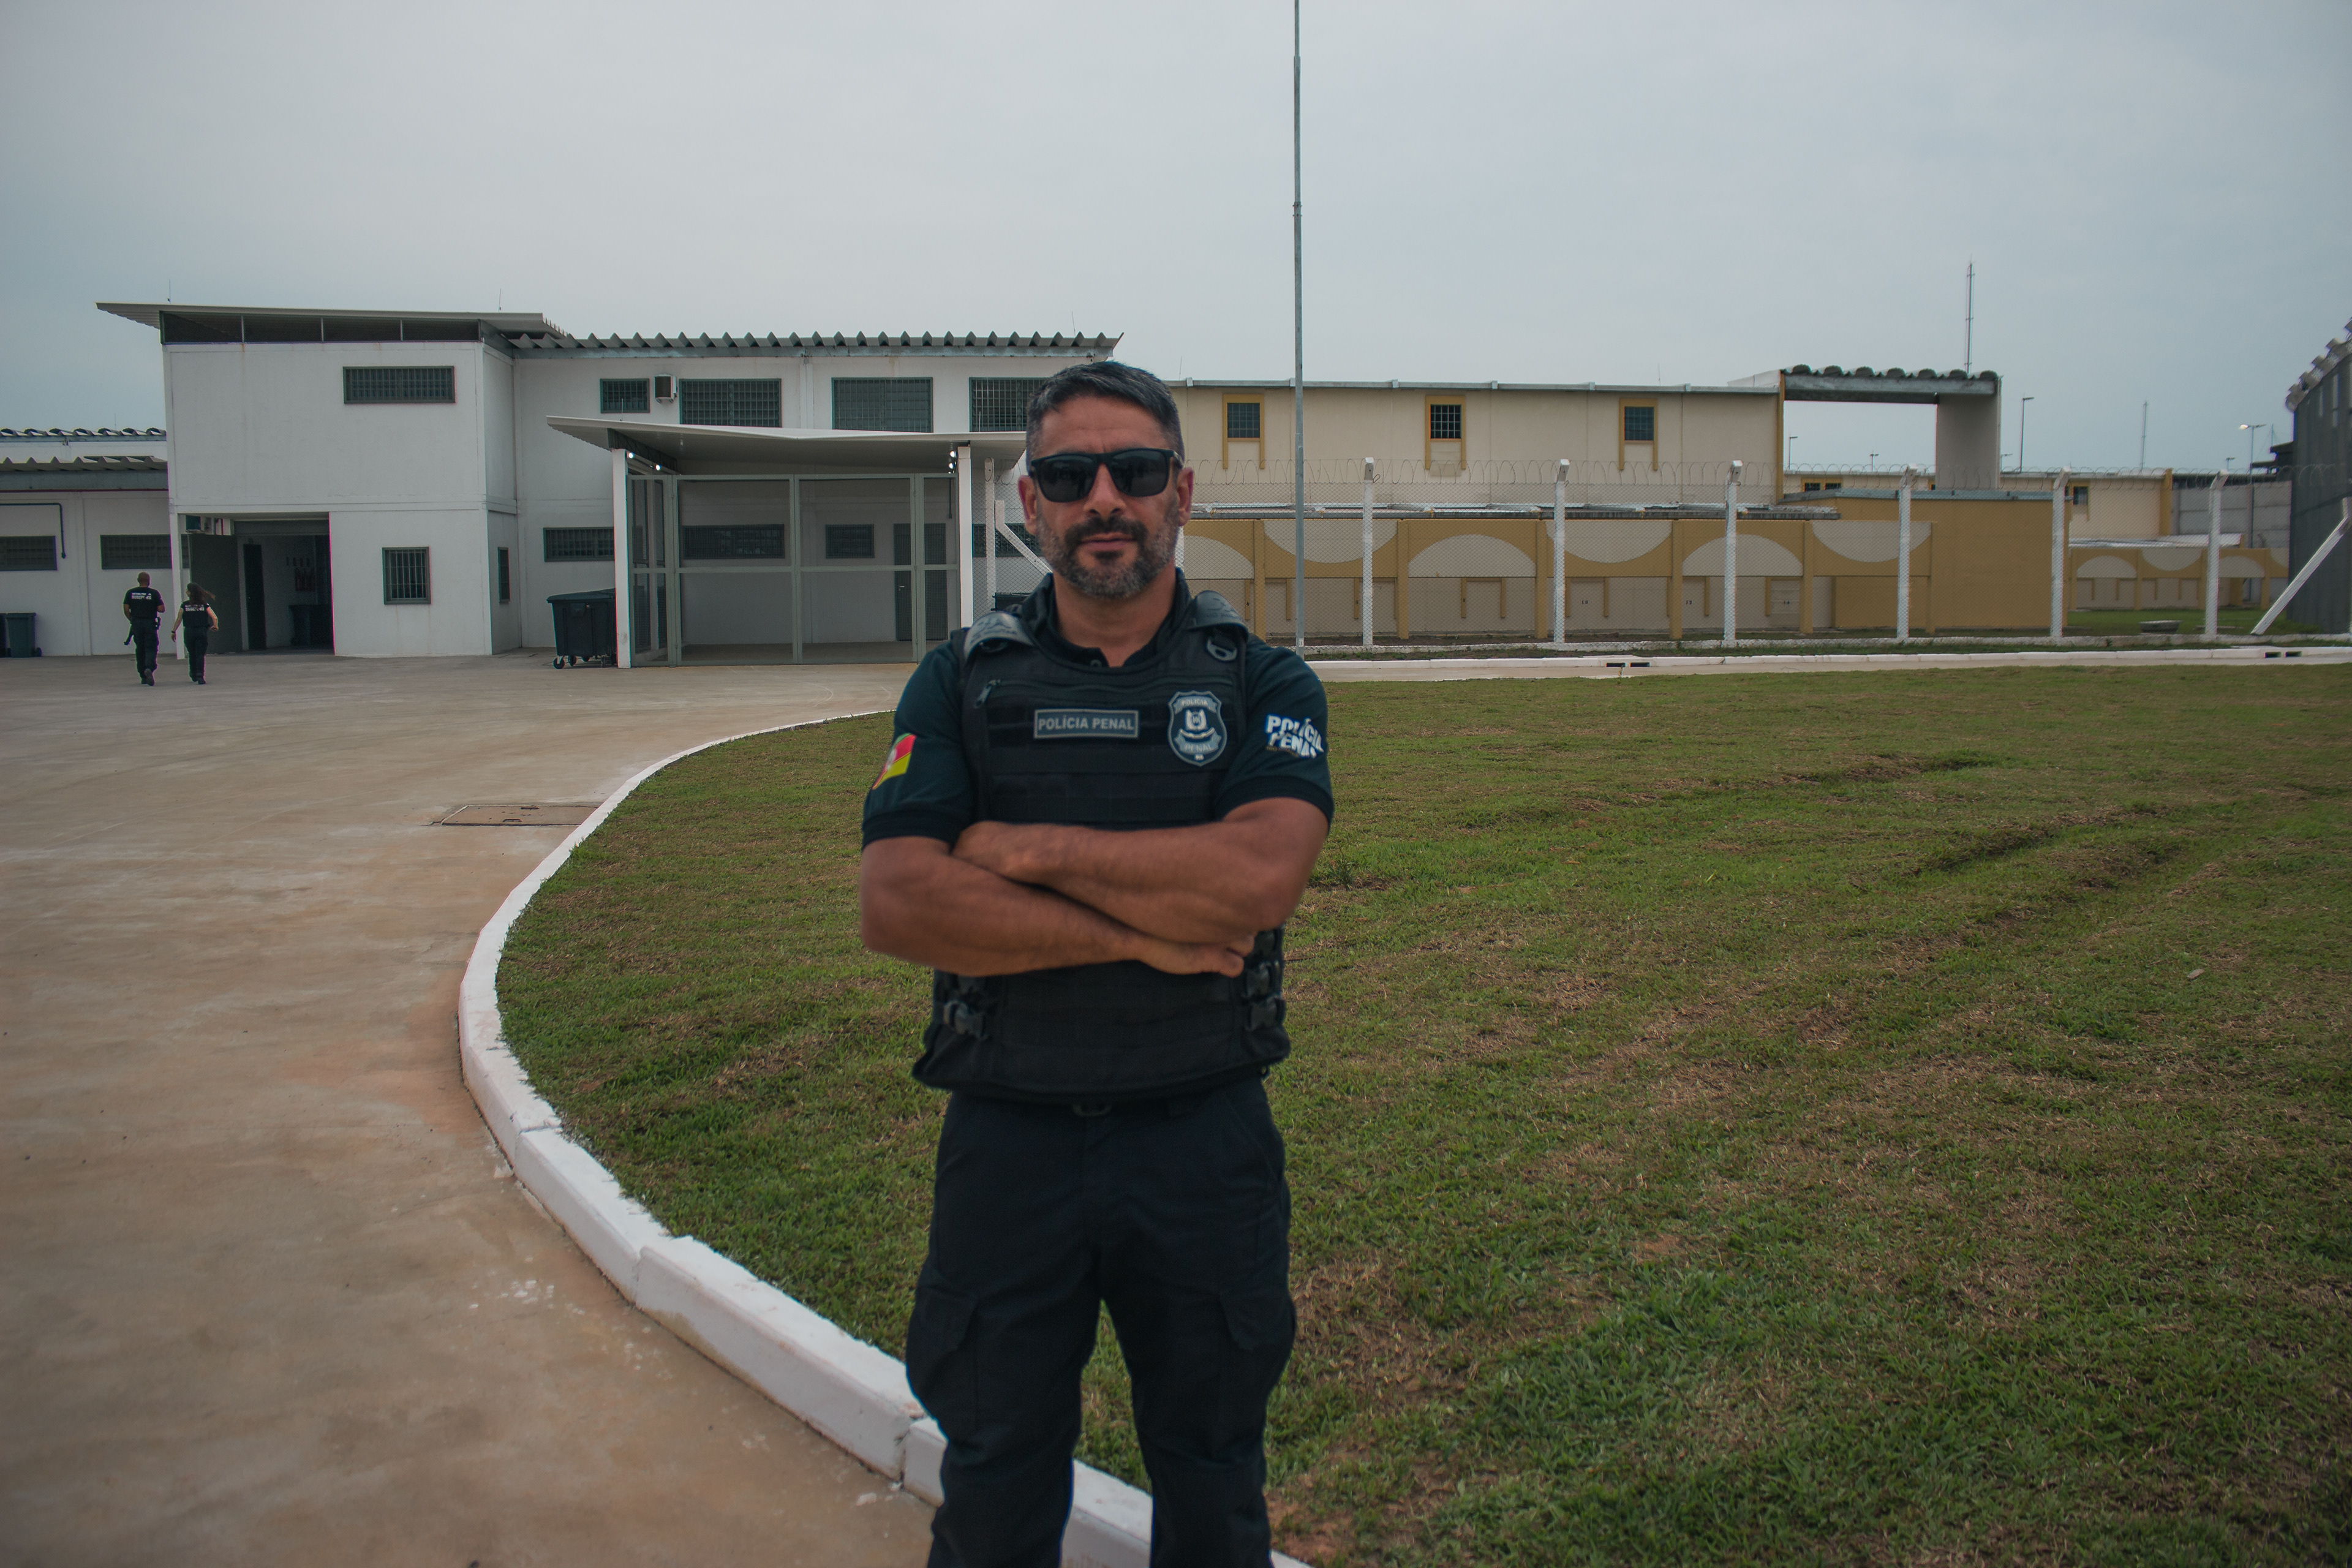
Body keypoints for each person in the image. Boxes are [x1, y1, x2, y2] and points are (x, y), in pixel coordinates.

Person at [861, 361, 1333, 1568]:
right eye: (1070, 476)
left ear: (1182, 490)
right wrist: (1142, 931)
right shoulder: (963, 679)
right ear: (1031, 502)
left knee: (1213, 1475)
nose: (1104, 498)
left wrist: (1027, 850)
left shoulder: (1259, 680)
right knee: (995, 1477)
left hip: (1202, 1139)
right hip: (1009, 1143)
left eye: (1134, 470)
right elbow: (902, 899)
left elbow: (1256, 881)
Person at [170, 583, 219, 685]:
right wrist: (215, 626)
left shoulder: (184, 605)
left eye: (187, 590)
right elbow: (214, 617)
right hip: (201, 631)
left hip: (189, 631)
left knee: (192, 653)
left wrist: (174, 631)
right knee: (200, 654)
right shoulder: (204, 605)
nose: (186, 592)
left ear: (190, 593)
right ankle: (201, 676)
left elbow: (179, 619)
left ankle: (193, 673)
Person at [123, 571, 166, 685]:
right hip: (149, 624)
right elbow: (161, 609)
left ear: (138, 580)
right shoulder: (154, 593)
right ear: (149, 581)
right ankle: (149, 668)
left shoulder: (130, 593)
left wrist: (132, 620)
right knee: (151, 647)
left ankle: (143, 675)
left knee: (140, 649)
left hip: (137, 624)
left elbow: (126, 609)